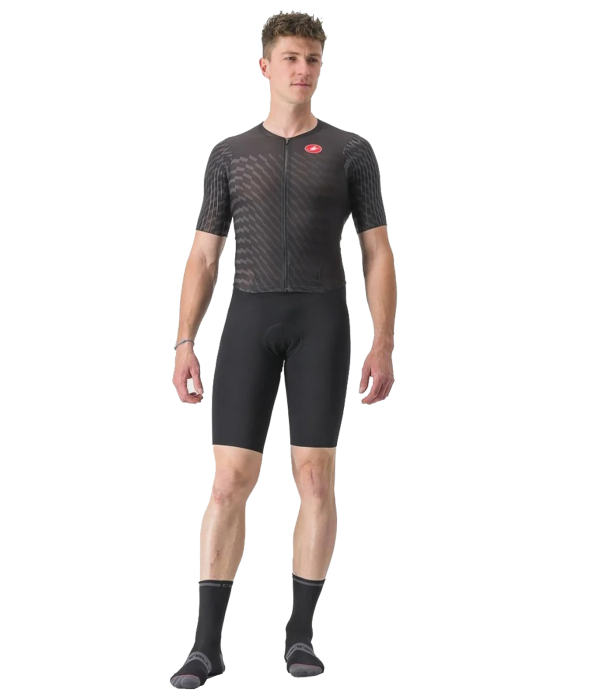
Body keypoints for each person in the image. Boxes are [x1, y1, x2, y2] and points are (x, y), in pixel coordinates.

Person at [170, 11, 396, 689]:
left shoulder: (352, 151)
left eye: (314, 59)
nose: (304, 70)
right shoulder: (230, 154)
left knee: (316, 479)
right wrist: (184, 339)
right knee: (228, 482)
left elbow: (377, 251)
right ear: (265, 66)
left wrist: (384, 340)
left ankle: (300, 633)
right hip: (249, 319)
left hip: (321, 322)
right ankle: (206, 646)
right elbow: (203, 257)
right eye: (292, 58)